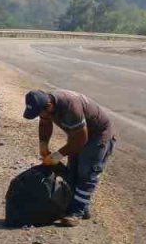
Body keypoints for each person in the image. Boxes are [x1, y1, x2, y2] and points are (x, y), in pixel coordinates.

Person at [23, 89, 116, 227]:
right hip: (77, 134)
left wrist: (57, 155)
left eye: (40, 113)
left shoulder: (70, 107)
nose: (40, 117)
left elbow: (81, 139)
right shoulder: (47, 106)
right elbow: (45, 123)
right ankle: (80, 206)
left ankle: (76, 212)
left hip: (97, 136)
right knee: (72, 172)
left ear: (49, 106)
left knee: (86, 173)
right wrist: (43, 145)